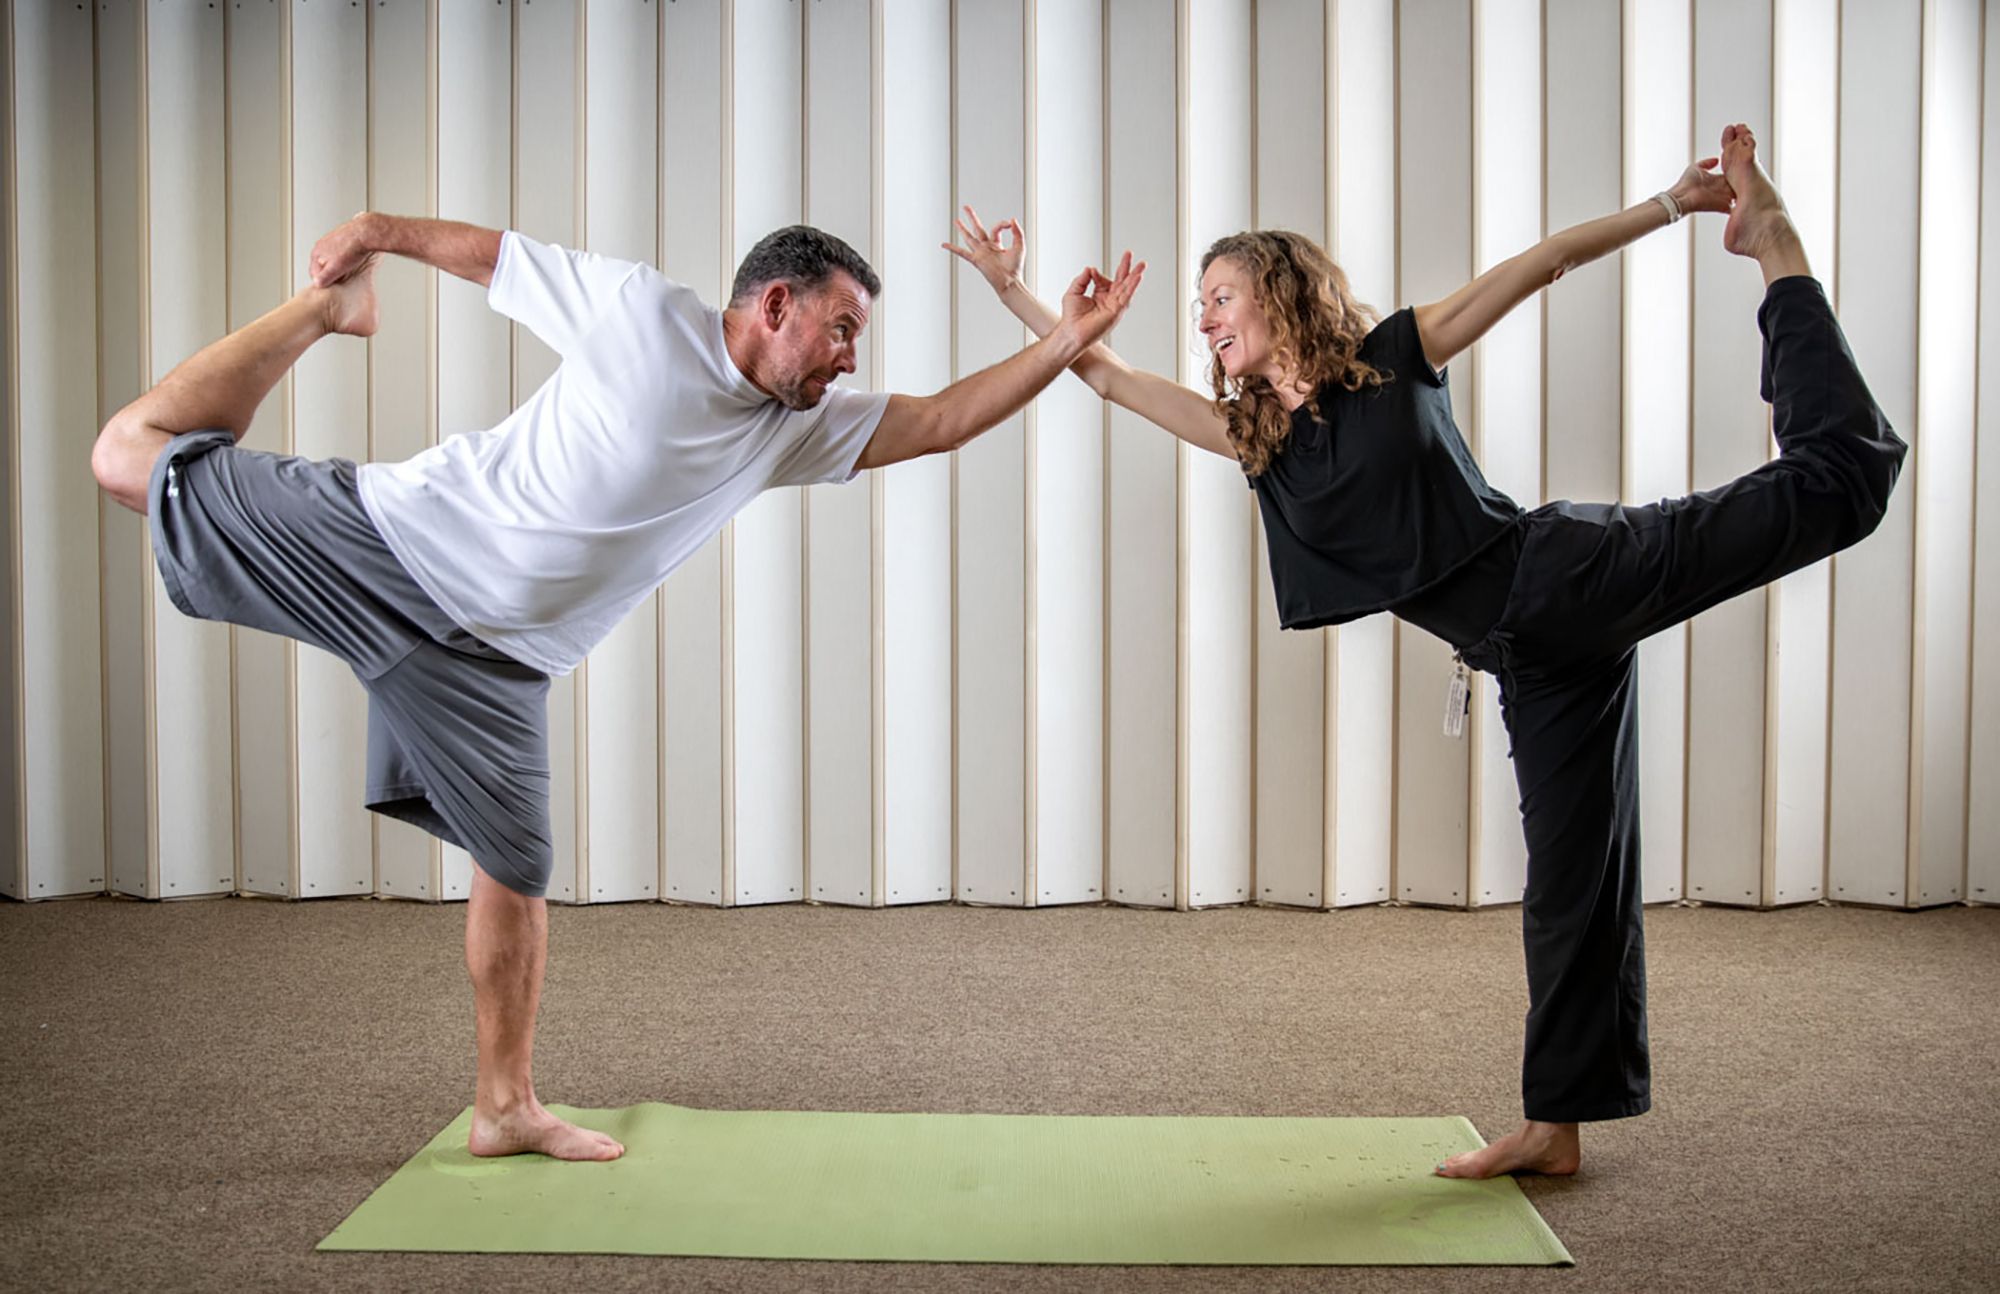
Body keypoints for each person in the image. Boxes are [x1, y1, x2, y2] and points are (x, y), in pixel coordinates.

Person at [948, 124, 1904, 1178]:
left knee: (1838, 483)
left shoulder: (1393, 358)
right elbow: (1106, 376)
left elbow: (1542, 262)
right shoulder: (1257, 442)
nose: (1204, 317)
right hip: (1529, 660)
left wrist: (1673, 205)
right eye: (1199, 305)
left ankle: (1775, 248)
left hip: (1566, 573)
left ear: (1279, 294)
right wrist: (1014, 290)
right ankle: (1555, 1126)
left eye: (1220, 295)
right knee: (1570, 885)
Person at [92, 214, 1145, 1163]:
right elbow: (499, 259)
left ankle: (504, 1107)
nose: (849, 358)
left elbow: (943, 418)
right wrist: (377, 235)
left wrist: (1066, 339)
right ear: (776, 305)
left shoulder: (788, 431)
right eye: (840, 330)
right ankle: (319, 317)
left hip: (499, 669)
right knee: (127, 461)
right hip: (391, 545)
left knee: (516, 867)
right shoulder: (641, 313)